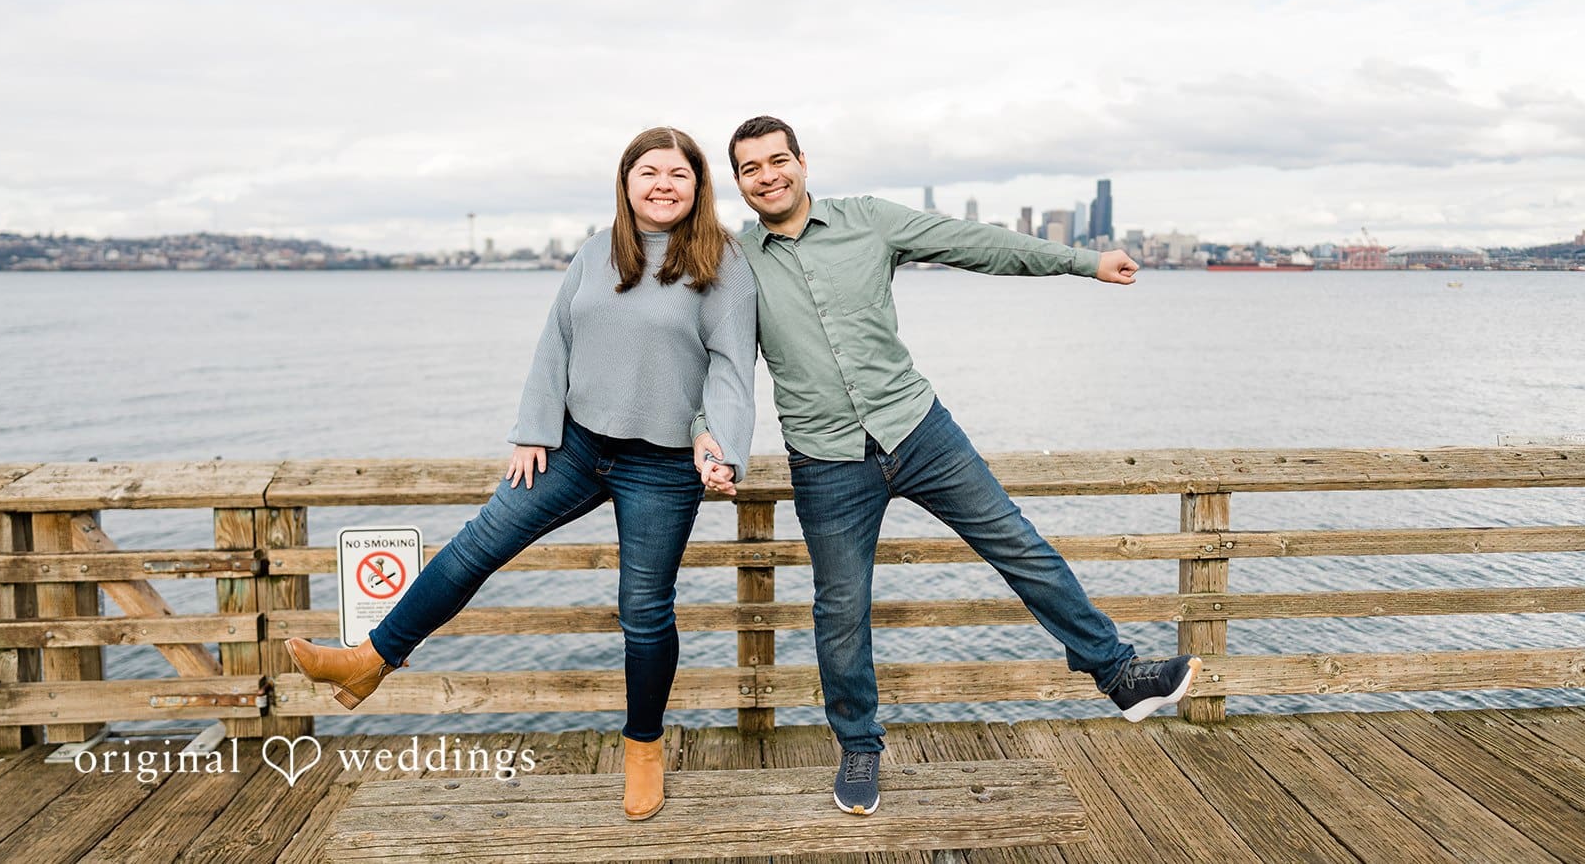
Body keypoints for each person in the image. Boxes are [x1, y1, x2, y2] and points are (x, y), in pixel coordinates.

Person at [717, 115, 1199, 816]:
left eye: (777, 160)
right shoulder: (737, 262)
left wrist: (1080, 261)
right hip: (826, 459)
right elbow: (721, 361)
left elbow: (974, 244)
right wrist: (711, 437)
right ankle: (859, 744)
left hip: (918, 429)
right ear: (738, 181)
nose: (767, 175)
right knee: (841, 610)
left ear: (802, 162)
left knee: (1019, 545)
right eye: (751, 167)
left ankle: (1121, 673)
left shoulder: (869, 221)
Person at [286, 126, 757, 822]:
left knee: (645, 608)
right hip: (573, 444)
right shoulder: (599, 250)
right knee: (477, 543)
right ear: (626, 181)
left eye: (678, 174)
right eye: (648, 171)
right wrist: (534, 428)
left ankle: (644, 747)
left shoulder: (723, 261)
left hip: (661, 465)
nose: (663, 184)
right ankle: (370, 659)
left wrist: (720, 447)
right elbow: (556, 340)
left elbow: (730, 365)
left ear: (698, 185)